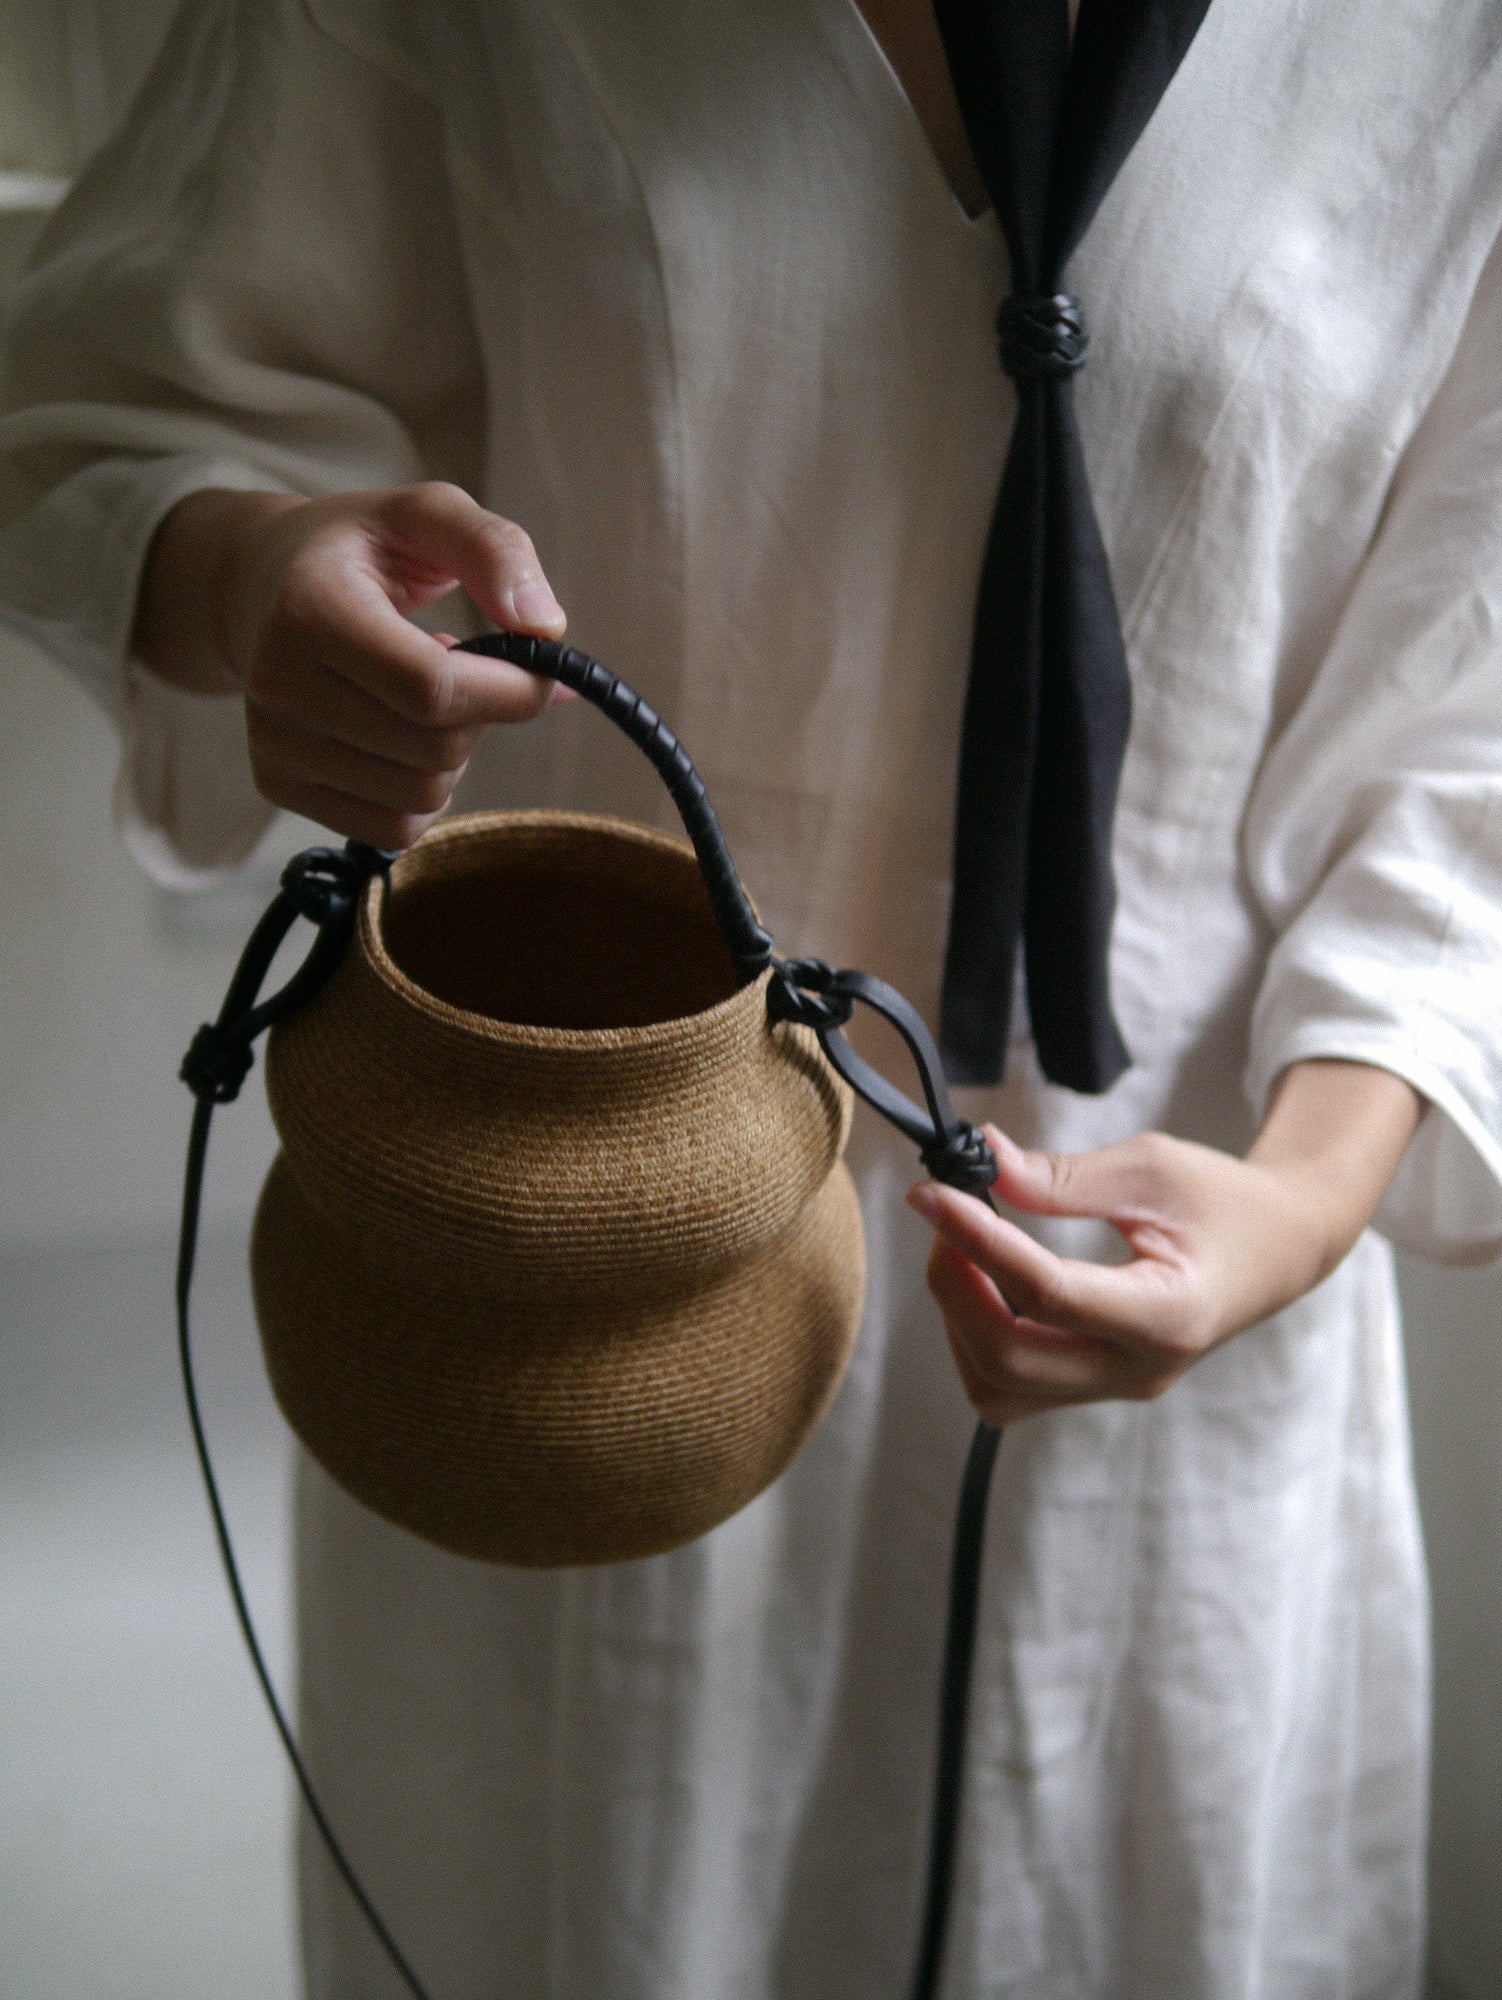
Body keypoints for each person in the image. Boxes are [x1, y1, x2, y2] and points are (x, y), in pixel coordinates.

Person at [4, 2, 1501, 1993]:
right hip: (558, 1252)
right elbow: (124, 385)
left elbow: (1473, 695)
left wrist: (1305, 1202)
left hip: (1181, 1247)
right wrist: (250, 568)